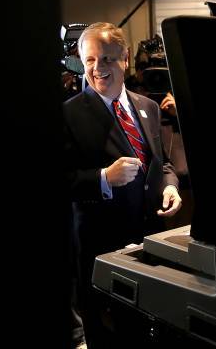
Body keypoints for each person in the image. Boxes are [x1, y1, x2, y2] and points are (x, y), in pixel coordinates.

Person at [63, 22, 182, 348]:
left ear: (125, 58)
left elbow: (163, 163)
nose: (97, 69)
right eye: (89, 60)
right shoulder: (68, 115)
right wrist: (104, 178)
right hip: (100, 250)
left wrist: (170, 187)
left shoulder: (148, 108)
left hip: (150, 244)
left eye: (106, 59)